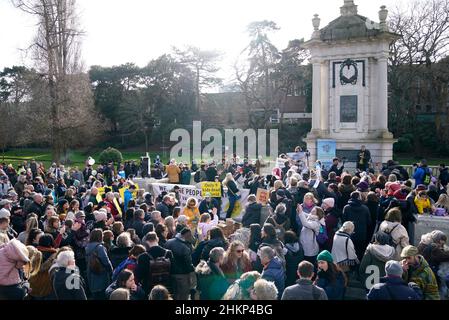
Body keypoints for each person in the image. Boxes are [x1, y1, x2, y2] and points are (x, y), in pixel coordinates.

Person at [164, 228, 195, 300]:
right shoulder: (185, 248)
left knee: (173, 295)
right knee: (183, 296)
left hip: (169, 274)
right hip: (182, 276)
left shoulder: (168, 242)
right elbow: (188, 264)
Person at [342, 191, 372, 260]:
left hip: (349, 234)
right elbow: (369, 222)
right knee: (360, 252)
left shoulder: (346, 208)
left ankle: (351, 266)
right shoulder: (365, 208)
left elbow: (344, 221)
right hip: (362, 234)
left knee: (349, 251)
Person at [85, 228, 113, 300]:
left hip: (91, 272)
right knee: (102, 294)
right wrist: (111, 271)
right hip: (101, 272)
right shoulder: (99, 247)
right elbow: (106, 261)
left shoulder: (87, 247)